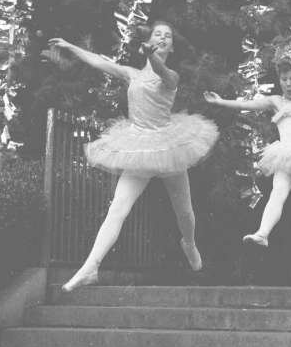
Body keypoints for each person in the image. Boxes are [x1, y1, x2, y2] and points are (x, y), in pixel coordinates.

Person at [45, 22, 218, 291]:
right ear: (150, 39)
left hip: (167, 147)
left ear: (171, 47)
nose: (162, 38)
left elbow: (161, 72)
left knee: (184, 210)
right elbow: (98, 63)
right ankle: (91, 266)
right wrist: (70, 47)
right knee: (118, 208)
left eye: (167, 36)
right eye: (157, 34)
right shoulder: (132, 74)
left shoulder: (171, 75)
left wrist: (151, 55)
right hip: (138, 147)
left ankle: (189, 243)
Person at [204, 44, 291, 247]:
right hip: (286, 157)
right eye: (284, 79)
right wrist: (221, 102)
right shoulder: (275, 101)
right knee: (278, 192)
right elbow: (247, 104)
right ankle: (262, 233)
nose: (288, 84)